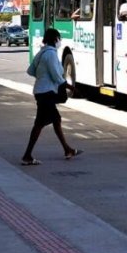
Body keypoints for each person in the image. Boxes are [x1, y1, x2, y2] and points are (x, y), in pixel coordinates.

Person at [21, 28, 82, 165]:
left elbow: (30, 70)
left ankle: (67, 149)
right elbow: (56, 75)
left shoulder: (41, 53)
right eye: (59, 39)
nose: (59, 41)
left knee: (55, 120)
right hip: (46, 93)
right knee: (40, 124)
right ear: (55, 39)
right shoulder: (51, 54)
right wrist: (70, 87)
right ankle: (27, 155)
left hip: (40, 91)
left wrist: (42, 76)